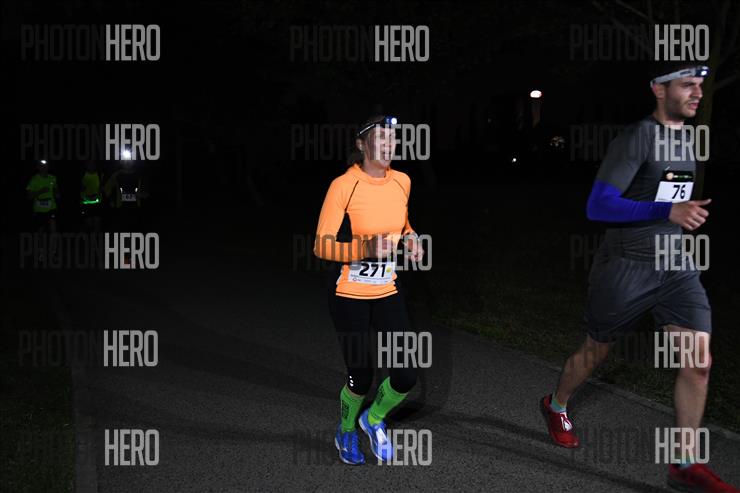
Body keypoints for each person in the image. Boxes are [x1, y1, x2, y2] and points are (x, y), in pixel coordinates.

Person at [540, 63, 738, 492]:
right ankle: (556, 405)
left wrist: (678, 217)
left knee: (699, 361)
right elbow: (598, 206)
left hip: (676, 266)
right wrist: (666, 210)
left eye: (700, 85)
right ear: (658, 90)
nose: (697, 93)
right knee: (596, 351)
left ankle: (684, 464)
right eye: (687, 85)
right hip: (627, 265)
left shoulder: (686, 140)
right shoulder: (636, 139)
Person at [313, 115, 424, 465]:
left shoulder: (402, 181)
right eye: (380, 138)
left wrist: (411, 238)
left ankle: (373, 418)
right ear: (362, 145)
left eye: (393, 138)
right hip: (349, 294)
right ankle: (346, 429)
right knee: (361, 377)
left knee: (406, 375)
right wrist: (364, 249)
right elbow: (321, 245)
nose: (389, 144)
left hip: (387, 290)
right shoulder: (343, 185)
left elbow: (403, 224)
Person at [26, 160, 59, 233]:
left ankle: (54, 239)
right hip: (39, 209)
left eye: (46, 166)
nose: (44, 168)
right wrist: (40, 191)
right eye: (41, 166)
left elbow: (55, 189)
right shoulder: (34, 179)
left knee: (53, 226)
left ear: (48, 167)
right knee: (40, 229)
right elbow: (29, 196)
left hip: (52, 207)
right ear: (38, 167)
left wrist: (56, 193)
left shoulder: (53, 178)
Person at [80, 160, 103, 232]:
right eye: (89, 164)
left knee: (97, 223)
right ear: (86, 165)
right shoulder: (82, 174)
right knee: (88, 224)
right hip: (86, 202)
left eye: (93, 164)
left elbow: (102, 187)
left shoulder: (100, 174)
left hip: (97, 202)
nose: (91, 165)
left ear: (95, 165)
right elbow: (80, 188)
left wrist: (98, 194)